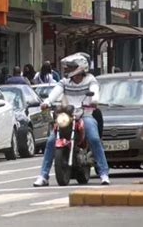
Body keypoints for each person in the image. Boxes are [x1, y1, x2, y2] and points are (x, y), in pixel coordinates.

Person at [33, 53, 110, 187]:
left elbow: (94, 91)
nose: (68, 69)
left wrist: (94, 100)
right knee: (51, 141)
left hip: (85, 113)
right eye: (68, 67)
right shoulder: (64, 82)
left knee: (94, 138)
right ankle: (43, 176)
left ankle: (103, 173)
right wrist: (46, 102)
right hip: (67, 115)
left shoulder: (90, 79)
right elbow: (54, 93)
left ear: (81, 67)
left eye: (72, 67)